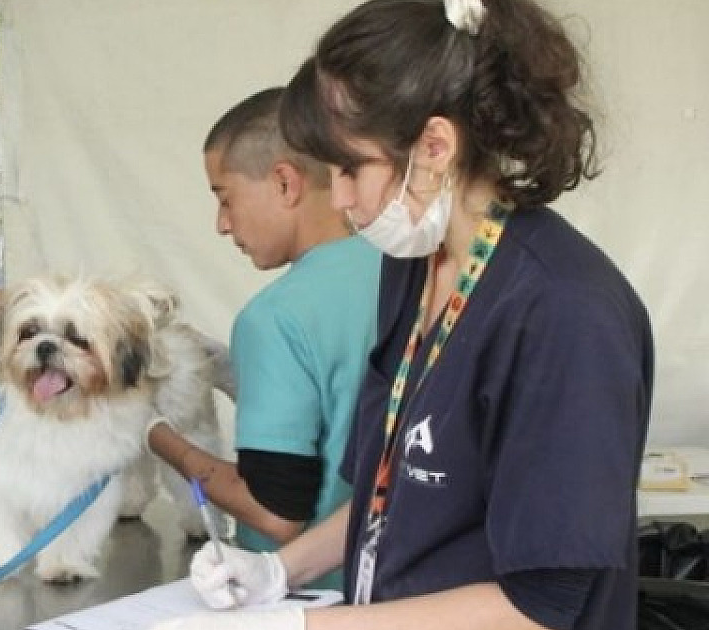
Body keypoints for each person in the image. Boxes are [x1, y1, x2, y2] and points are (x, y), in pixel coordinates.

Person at [151, 0, 654, 629]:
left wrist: (300, 626)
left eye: (349, 169)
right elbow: (390, 493)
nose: (338, 199)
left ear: (434, 147)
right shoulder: (415, 266)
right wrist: (281, 571)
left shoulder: (565, 314)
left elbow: (540, 606)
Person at [146, 87, 380, 590]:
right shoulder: (408, 276)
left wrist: (157, 435)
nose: (221, 225)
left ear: (285, 182)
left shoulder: (272, 318)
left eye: (225, 198)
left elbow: (276, 512)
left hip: (307, 590)